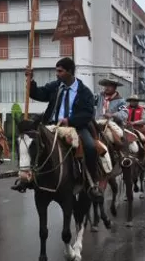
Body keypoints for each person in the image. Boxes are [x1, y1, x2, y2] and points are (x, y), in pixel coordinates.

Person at [17, 57, 99, 196]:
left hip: (75, 127)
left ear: (70, 72)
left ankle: (92, 183)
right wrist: (30, 80)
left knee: (90, 147)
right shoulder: (55, 86)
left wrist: (70, 120)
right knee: (30, 142)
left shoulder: (85, 92)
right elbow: (38, 93)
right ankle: (27, 177)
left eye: (60, 71)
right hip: (51, 126)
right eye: (56, 71)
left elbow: (88, 114)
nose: (57, 74)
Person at [124, 95, 145, 164]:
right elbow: (123, 117)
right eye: (132, 100)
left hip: (139, 128)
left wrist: (135, 122)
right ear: (130, 101)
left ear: (137, 102)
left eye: (135, 101)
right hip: (127, 127)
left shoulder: (142, 109)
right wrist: (125, 122)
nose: (133, 102)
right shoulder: (126, 109)